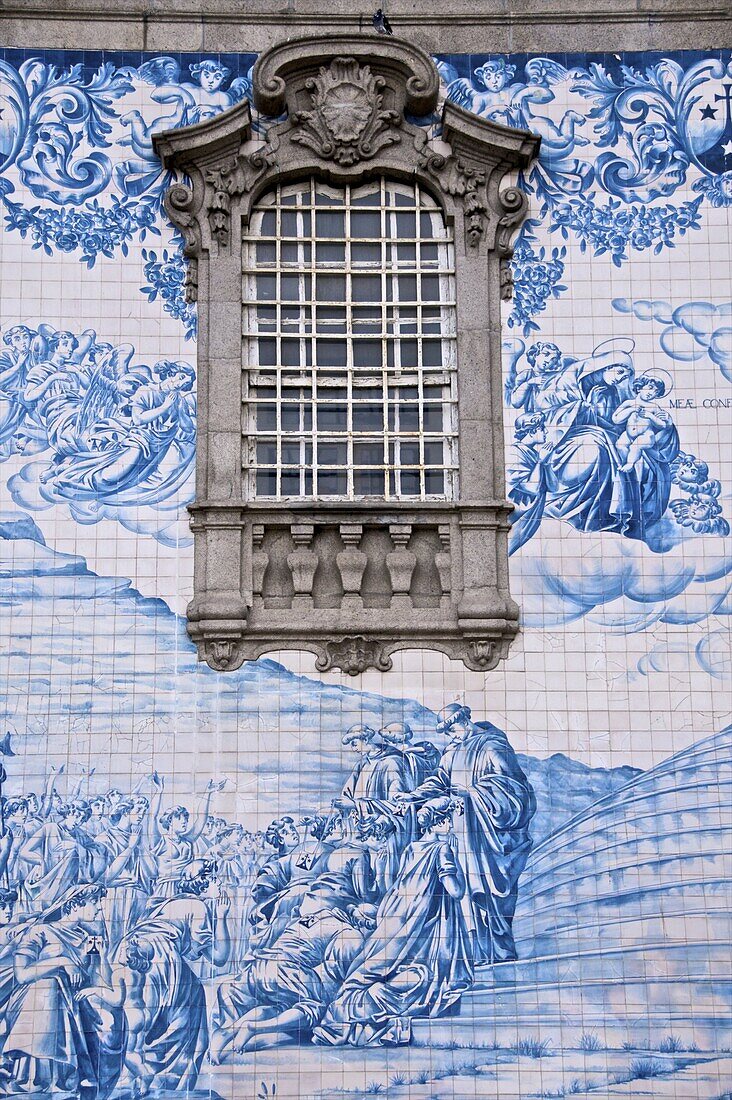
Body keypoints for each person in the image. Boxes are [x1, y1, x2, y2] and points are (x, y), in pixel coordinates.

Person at [314, 796, 472, 1047]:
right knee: (420, 978)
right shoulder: (442, 849)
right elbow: (455, 891)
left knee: (373, 971)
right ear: (437, 822)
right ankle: (360, 1013)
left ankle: (346, 1016)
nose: (452, 825)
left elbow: (401, 889)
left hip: (397, 922)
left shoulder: (411, 849)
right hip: (424, 933)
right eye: (449, 820)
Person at [396, 704, 535, 966]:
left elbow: (516, 790)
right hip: (463, 836)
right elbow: (439, 781)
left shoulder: (492, 747)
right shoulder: (452, 752)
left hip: (491, 838)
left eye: (453, 730)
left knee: (493, 898)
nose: (452, 737)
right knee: (469, 896)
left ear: (464, 721)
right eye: (448, 733)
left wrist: (471, 795)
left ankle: (502, 953)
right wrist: (412, 796)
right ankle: (480, 954)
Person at [211, 881, 372, 1059]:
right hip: (288, 970)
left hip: (262, 964)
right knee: (314, 1008)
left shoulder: (316, 914)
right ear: (361, 920)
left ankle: (228, 1030)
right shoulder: (349, 933)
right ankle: (255, 1027)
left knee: (280, 1005)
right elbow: (337, 973)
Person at [116, 859, 230, 1094]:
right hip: (162, 954)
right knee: (186, 1013)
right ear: (203, 883)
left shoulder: (167, 904)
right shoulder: (197, 906)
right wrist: (222, 916)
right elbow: (219, 957)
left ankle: (141, 1075)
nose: (219, 885)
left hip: (134, 950)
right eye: (215, 880)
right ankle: (168, 1080)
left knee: (143, 1020)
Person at [2, 883, 124, 1098]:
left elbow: (98, 981)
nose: (99, 909)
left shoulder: (89, 941)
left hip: (74, 1004)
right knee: (48, 984)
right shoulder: (40, 931)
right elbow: (21, 975)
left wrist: (101, 955)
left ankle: (62, 1076)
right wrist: (61, 961)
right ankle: (32, 1076)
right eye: (94, 902)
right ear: (74, 904)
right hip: (31, 1002)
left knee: (56, 989)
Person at [612, 371, 674, 472]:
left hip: (646, 435)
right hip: (628, 435)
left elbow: (662, 425)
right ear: (639, 387)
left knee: (636, 446)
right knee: (620, 445)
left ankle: (630, 464)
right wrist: (631, 410)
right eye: (650, 388)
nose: (652, 393)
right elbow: (615, 419)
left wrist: (650, 416)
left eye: (656, 391)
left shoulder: (654, 407)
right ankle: (626, 465)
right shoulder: (628, 403)